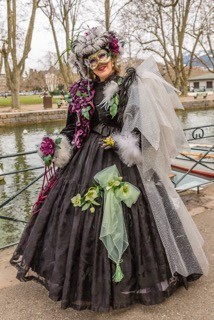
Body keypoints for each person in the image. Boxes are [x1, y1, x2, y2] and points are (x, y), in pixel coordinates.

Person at [10, 26, 208, 312]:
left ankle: (130, 282)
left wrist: (120, 142)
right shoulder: (81, 90)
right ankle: (85, 283)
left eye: (102, 55)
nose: (98, 63)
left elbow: (143, 131)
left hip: (120, 158)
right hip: (84, 161)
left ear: (113, 55)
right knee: (80, 220)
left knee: (132, 219)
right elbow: (71, 128)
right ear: (85, 65)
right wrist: (58, 146)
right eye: (91, 60)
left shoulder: (130, 84)